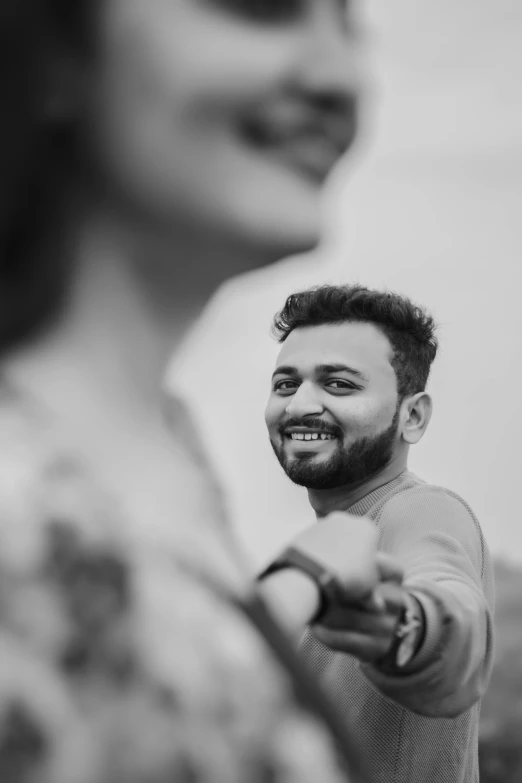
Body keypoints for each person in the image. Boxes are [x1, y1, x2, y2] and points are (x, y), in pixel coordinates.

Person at [0, 2, 375, 782]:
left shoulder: (168, 442)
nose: (341, 75)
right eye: (262, 6)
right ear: (53, 50)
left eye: (350, 24)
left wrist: (297, 583)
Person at [262, 284, 495, 783]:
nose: (300, 404)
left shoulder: (422, 510)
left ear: (412, 416)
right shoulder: (324, 559)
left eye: (339, 385)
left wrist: (403, 627)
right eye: (285, 384)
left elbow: (452, 613)